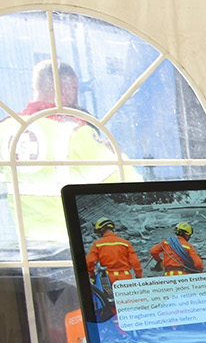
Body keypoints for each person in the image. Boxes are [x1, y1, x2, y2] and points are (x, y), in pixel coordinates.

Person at [0, 61, 125, 254]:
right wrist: (113, 152)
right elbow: (127, 181)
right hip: (71, 247)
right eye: (74, 87)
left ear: (34, 88)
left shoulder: (5, 129)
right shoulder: (75, 131)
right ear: (67, 88)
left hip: (27, 249)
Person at [85, 219, 144, 283]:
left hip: (108, 278)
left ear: (101, 229)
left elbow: (89, 262)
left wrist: (92, 275)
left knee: (108, 293)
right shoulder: (125, 243)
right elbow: (135, 262)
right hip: (126, 277)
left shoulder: (98, 244)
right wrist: (139, 276)